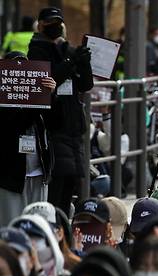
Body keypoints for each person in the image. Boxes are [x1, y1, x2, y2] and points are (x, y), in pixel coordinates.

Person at [28, 7, 94, 213]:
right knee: (57, 184)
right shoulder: (36, 51)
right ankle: (54, 225)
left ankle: (63, 226)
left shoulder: (68, 50)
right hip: (53, 124)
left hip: (73, 125)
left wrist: (84, 63)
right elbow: (48, 80)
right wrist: (70, 62)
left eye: (58, 22)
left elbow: (85, 85)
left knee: (70, 183)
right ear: (40, 26)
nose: (55, 27)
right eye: (50, 23)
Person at [0, 52, 56, 226]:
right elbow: (19, 121)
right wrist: (37, 99)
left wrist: (51, 95)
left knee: (39, 225)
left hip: (39, 174)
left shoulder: (40, 99)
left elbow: (58, 123)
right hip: (11, 178)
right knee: (12, 226)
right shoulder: (3, 102)